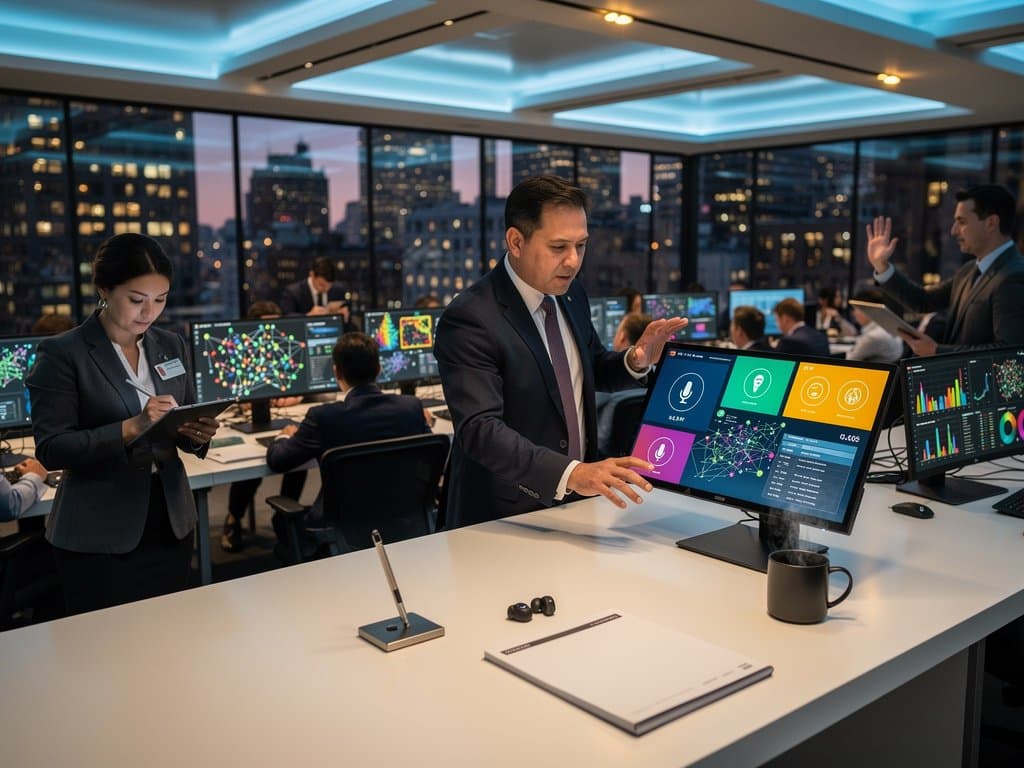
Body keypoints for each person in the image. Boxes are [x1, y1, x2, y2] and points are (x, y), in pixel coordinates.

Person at [434, 175, 686, 529]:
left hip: (578, 504)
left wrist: (634, 360)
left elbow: (589, 367)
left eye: (581, 245)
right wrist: (573, 473)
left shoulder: (570, 293)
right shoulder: (471, 318)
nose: (573, 261)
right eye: (558, 247)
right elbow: (480, 430)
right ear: (516, 241)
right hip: (504, 516)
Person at [25, 233, 220, 614]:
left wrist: (196, 434)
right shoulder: (64, 353)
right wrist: (132, 426)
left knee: (169, 638)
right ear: (103, 289)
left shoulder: (170, 344)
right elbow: (52, 448)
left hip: (171, 521)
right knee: (106, 654)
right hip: (99, 531)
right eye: (136, 300)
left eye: (160, 300)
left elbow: (186, 412)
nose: (149, 313)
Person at [265, 332, 432, 555]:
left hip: (341, 531)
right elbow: (429, 451)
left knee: (282, 520)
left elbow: (278, 460)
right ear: (379, 368)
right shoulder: (411, 408)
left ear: (336, 371)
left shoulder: (323, 417)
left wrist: (283, 436)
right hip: (404, 521)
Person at [867, 184, 1024, 355]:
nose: (954, 231)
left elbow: (1009, 352)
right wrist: (882, 266)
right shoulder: (969, 270)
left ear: (991, 223)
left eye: (961, 222)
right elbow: (923, 300)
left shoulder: (1014, 275)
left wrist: (936, 351)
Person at [220, 300, 306, 553]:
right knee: (251, 465)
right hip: (249, 421)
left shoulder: (287, 350)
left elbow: (310, 385)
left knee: (298, 458)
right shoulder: (241, 352)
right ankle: (233, 519)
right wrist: (245, 402)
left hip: (284, 421)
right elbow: (224, 391)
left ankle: (285, 519)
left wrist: (298, 395)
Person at [596, 312, 653, 457]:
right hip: (650, 453)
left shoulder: (604, 386)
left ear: (622, 337)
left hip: (607, 460)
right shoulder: (660, 379)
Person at [279, 256, 355, 327]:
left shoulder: (338, 290)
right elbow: (285, 317)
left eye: (329, 286)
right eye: (321, 285)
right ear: (312, 274)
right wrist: (308, 316)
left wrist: (342, 316)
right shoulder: (293, 292)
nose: (326, 289)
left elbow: (349, 316)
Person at [845, 289, 904, 363]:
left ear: (868, 310)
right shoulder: (890, 328)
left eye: (856, 309)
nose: (853, 313)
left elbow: (850, 361)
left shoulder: (872, 337)